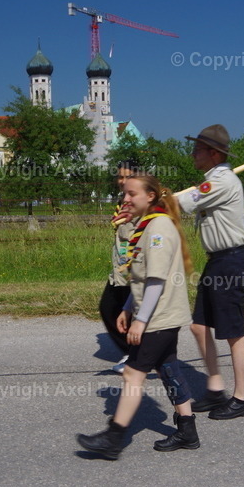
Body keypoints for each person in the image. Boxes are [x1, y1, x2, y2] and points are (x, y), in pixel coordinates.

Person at [77, 173, 199, 458]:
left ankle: (114, 438)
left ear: (151, 196)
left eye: (132, 194)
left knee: (132, 373)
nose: (126, 199)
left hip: (159, 317)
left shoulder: (157, 229)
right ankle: (187, 429)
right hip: (159, 313)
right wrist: (127, 307)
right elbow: (142, 277)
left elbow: (156, 281)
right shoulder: (146, 227)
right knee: (168, 366)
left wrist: (141, 320)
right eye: (125, 194)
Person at [178, 124, 244, 420]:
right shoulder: (211, 181)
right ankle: (214, 388)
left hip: (232, 261)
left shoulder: (221, 182)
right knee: (198, 325)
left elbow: (184, 203)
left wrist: (155, 197)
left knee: (233, 332)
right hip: (217, 261)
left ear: (212, 153)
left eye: (197, 149)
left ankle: (240, 399)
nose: (192, 154)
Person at [98, 160, 139, 373]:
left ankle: (136, 356)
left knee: (130, 310)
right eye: (119, 176)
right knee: (109, 307)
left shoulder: (142, 203)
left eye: (126, 176)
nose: (121, 180)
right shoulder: (123, 201)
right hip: (120, 269)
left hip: (134, 269)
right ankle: (134, 352)